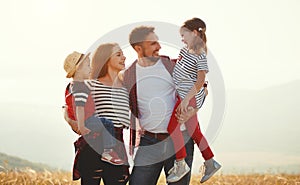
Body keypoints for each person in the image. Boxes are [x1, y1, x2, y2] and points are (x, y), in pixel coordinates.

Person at [123, 26, 195, 185]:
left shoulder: (171, 65)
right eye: (153, 43)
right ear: (138, 48)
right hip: (149, 142)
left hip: (180, 141)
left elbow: (200, 88)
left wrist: (191, 110)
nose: (159, 47)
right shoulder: (129, 75)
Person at [63, 44, 130, 184]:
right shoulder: (89, 84)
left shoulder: (126, 88)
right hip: (94, 143)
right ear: (105, 59)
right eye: (118, 54)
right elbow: (68, 105)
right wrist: (72, 122)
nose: (124, 57)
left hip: (116, 143)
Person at [167, 17, 221, 183]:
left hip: (187, 98)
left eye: (184, 34)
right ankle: (210, 161)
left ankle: (181, 163)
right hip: (182, 96)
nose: (182, 38)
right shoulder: (184, 51)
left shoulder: (201, 55)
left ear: (195, 33)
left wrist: (186, 101)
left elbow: (199, 82)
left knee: (171, 127)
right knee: (194, 132)